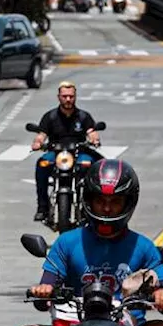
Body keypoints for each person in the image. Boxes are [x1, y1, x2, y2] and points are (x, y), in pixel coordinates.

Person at [14, 160, 163, 326]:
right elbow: (46, 288)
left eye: (116, 202)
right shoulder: (67, 243)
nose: (107, 208)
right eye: (100, 201)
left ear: (128, 203)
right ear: (88, 200)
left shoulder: (144, 247)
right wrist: (44, 291)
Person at [30, 81, 101, 222]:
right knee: (42, 164)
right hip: (56, 154)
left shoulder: (83, 117)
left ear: (75, 97)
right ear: (59, 97)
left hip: (78, 153)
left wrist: (94, 139)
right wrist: (37, 143)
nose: (68, 99)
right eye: (64, 96)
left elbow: (91, 132)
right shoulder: (50, 117)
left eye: (71, 96)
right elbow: (41, 134)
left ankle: (88, 206)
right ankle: (42, 207)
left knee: (92, 166)